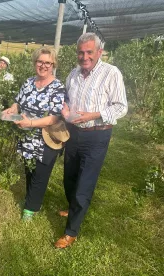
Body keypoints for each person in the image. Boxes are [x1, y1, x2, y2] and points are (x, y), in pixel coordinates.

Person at [56, 33, 128, 249]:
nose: (84, 56)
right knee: (69, 177)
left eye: (89, 52)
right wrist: (65, 107)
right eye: (81, 52)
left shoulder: (110, 73)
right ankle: (73, 207)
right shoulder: (73, 74)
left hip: (97, 134)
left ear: (99, 52)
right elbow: (67, 97)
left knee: (84, 184)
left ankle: (71, 231)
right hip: (74, 133)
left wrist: (93, 115)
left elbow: (120, 107)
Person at [2, 46, 67, 221]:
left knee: (41, 174)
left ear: (53, 64)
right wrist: (12, 109)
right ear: (35, 62)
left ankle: (30, 210)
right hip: (27, 136)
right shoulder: (28, 82)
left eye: (48, 62)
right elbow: (18, 102)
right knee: (29, 170)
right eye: (40, 61)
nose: (43, 65)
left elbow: (54, 118)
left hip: (46, 138)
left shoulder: (57, 87)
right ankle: (32, 200)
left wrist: (30, 123)